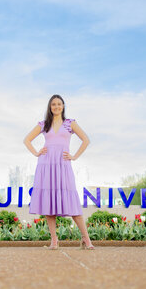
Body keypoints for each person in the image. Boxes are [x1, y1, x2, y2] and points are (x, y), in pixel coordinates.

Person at [23, 94, 95, 250]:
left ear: (63, 106)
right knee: (49, 204)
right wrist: (36, 153)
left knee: (72, 202)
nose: (56, 106)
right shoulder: (44, 124)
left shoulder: (70, 123)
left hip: (63, 164)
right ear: (50, 107)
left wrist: (74, 156)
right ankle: (54, 240)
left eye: (59, 104)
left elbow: (86, 139)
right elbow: (27, 139)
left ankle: (86, 239)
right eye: (53, 104)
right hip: (46, 164)